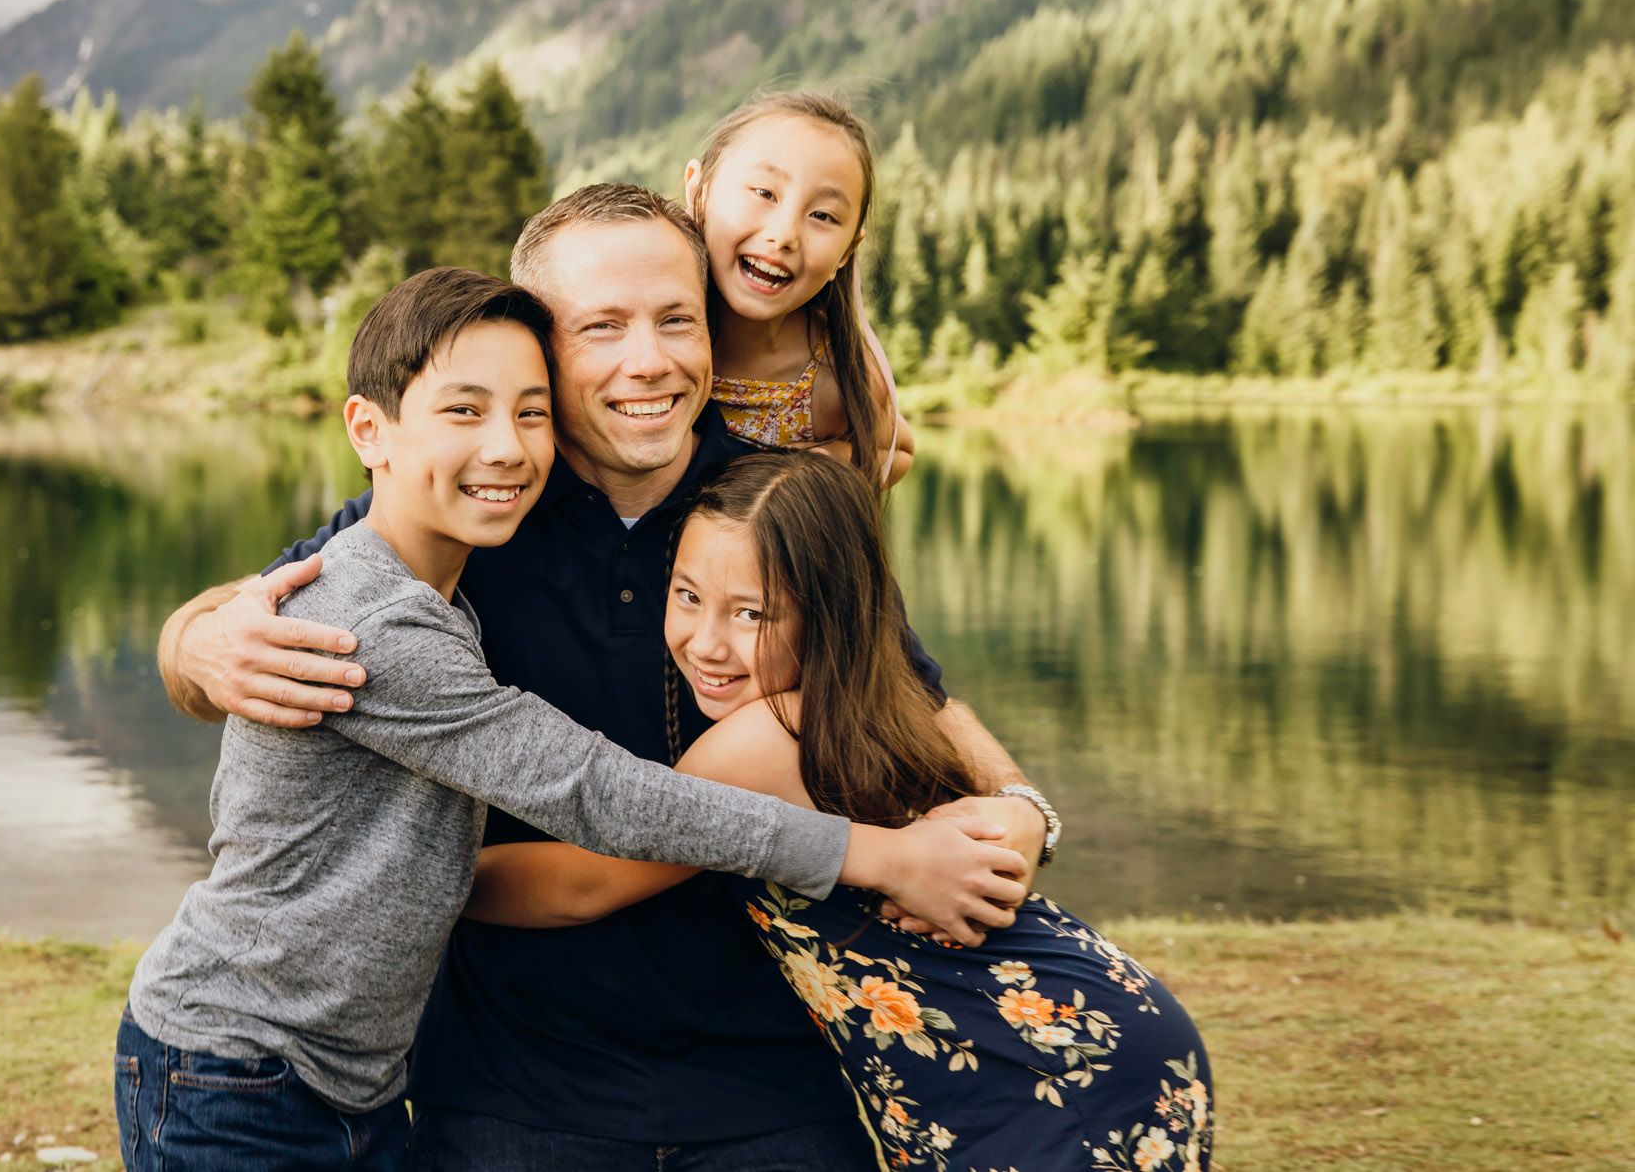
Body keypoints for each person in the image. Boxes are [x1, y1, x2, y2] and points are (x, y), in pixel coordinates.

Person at [156, 185, 1057, 1170]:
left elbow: (910, 693)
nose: (649, 360)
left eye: (677, 319)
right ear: (543, 349)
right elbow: (275, 612)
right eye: (602, 328)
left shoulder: (777, 499)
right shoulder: (472, 500)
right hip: (508, 1088)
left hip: (772, 1081)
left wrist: (1018, 805)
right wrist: (192, 643)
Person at [467, 450, 1215, 1172]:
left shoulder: (764, 742)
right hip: (1055, 1045)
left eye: (752, 614)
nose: (706, 643)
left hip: (1040, 1064)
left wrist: (416, 877)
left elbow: (587, 884)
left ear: (827, 615)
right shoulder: (873, 700)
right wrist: (1024, 808)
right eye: (688, 595)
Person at [686, 91, 916, 487]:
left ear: (847, 253)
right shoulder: (648, 329)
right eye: (764, 193)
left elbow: (897, 449)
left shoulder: (832, 372)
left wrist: (820, 465)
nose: (784, 235)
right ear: (699, 192)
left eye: (823, 215)